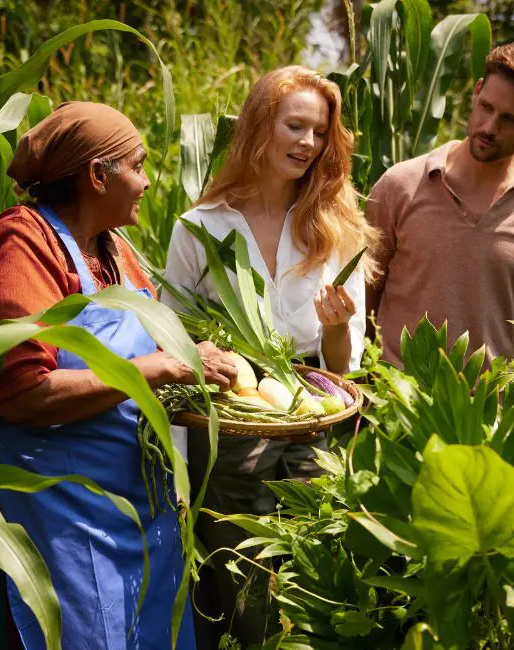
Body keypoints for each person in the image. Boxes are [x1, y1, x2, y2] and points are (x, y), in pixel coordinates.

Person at [0, 101, 238, 649]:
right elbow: (23, 395)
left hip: (136, 507)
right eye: (138, 166)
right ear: (98, 176)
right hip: (55, 513)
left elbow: (147, 348)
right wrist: (154, 367)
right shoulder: (24, 244)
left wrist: (191, 355)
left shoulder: (115, 249)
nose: (148, 182)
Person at [161, 65, 377, 646]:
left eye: (320, 133)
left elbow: (340, 369)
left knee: (309, 585)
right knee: (234, 589)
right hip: (228, 435)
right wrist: (180, 475)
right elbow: (170, 344)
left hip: (313, 429)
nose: (308, 144)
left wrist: (336, 327)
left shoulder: (336, 229)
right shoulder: (200, 227)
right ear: (261, 125)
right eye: (295, 126)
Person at [366, 41, 514, 367]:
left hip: (487, 410)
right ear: (476, 92)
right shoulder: (400, 186)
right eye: (486, 107)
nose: (489, 127)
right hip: (392, 399)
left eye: (509, 120)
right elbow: (363, 295)